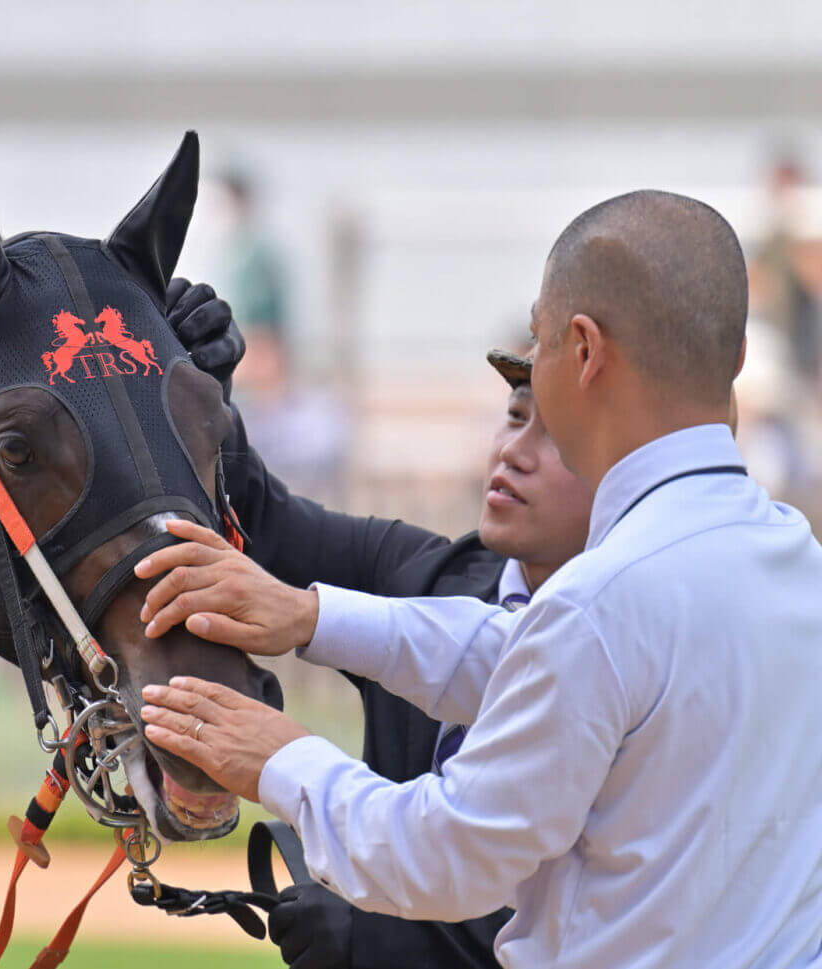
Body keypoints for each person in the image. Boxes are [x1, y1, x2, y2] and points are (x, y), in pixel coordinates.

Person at [145, 191, 822, 968]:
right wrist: (309, 617)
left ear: (584, 349)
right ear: (734, 361)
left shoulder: (603, 602)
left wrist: (280, 756)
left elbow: (446, 856)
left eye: (537, 342)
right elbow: (529, 657)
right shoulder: (794, 560)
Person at [169, 273, 589, 968]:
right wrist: (198, 393)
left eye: (560, 439)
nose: (514, 450)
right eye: (516, 415)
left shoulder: (636, 637)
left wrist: (381, 940)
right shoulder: (428, 575)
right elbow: (260, 519)